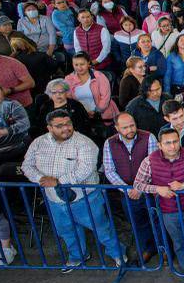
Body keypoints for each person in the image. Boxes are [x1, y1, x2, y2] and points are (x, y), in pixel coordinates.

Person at [21, 111, 126, 270]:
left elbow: (85, 169)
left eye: (68, 124)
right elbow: (26, 166)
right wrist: (40, 179)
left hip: (85, 198)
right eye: (59, 126)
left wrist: (57, 182)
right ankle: (78, 256)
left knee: (102, 228)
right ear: (49, 128)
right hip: (54, 199)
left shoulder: (84, 143)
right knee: (67, 231)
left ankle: (118, 253)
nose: (65, 128)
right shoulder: (38, 143)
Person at [132, 126, 184, 283]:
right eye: (167, 143)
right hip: (168, 210)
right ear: (160, 145)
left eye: (175, 142)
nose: (172, 146)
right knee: (178, 241)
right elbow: (137, 184)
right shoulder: (149, 160)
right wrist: (157, 189)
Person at [102, 112, 159, 262]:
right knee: (137, 223)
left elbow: (154, 165)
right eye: (125, 127)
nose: (130, 130)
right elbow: (109, 170)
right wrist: (127, 190)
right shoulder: (109, 143)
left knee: (157, 220)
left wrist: (140, 188)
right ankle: (148, 249)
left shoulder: (148, 137)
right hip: (126, 193)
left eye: (132, 125)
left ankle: (164, 249)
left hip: (149, 191)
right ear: (117, 128)